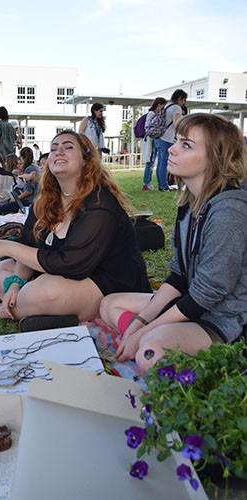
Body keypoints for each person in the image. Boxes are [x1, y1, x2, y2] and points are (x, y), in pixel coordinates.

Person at [100, 113, 247, 372]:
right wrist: (140, 322)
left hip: (227, 320)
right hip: (194, 307)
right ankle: (159, 335)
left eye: (186, 145)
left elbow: (207, 293)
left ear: (215, 158)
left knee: (149, 352)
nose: (173, 149)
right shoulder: (189, 204)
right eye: (176, 141)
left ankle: (167, 342)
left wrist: (146, 331)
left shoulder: (229, 211)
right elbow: (179, 275)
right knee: (109, 304)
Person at [0, 130, 151, 322]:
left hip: (106, 282)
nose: (59, 151)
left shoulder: (100, 203)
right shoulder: (45, 201)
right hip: (58, 276)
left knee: (46, 289)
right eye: (53, 149)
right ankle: (28, 305)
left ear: (86, 160)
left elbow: (70, 264)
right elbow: (30, 248)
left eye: (68, 147)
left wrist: (9, 247)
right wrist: (16, 284)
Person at [156, 89, 187, 191]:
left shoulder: (167, 106)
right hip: (169, 137)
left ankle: (161, 185)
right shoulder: (176, 108)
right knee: (165, 162)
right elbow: (176, 123)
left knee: (161, 162)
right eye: (184, 100)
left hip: (161, 136)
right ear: (180, 98)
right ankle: (164, 186)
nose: (184, 103)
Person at [141, 97, 167, 191]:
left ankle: (147, 183)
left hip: (153, 140)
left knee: (151, 162)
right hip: (151, 141)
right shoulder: (152, 114)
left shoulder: (155, 114)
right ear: (159, 105)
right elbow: (147, 127)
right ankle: (146, 183)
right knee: (150, 162)